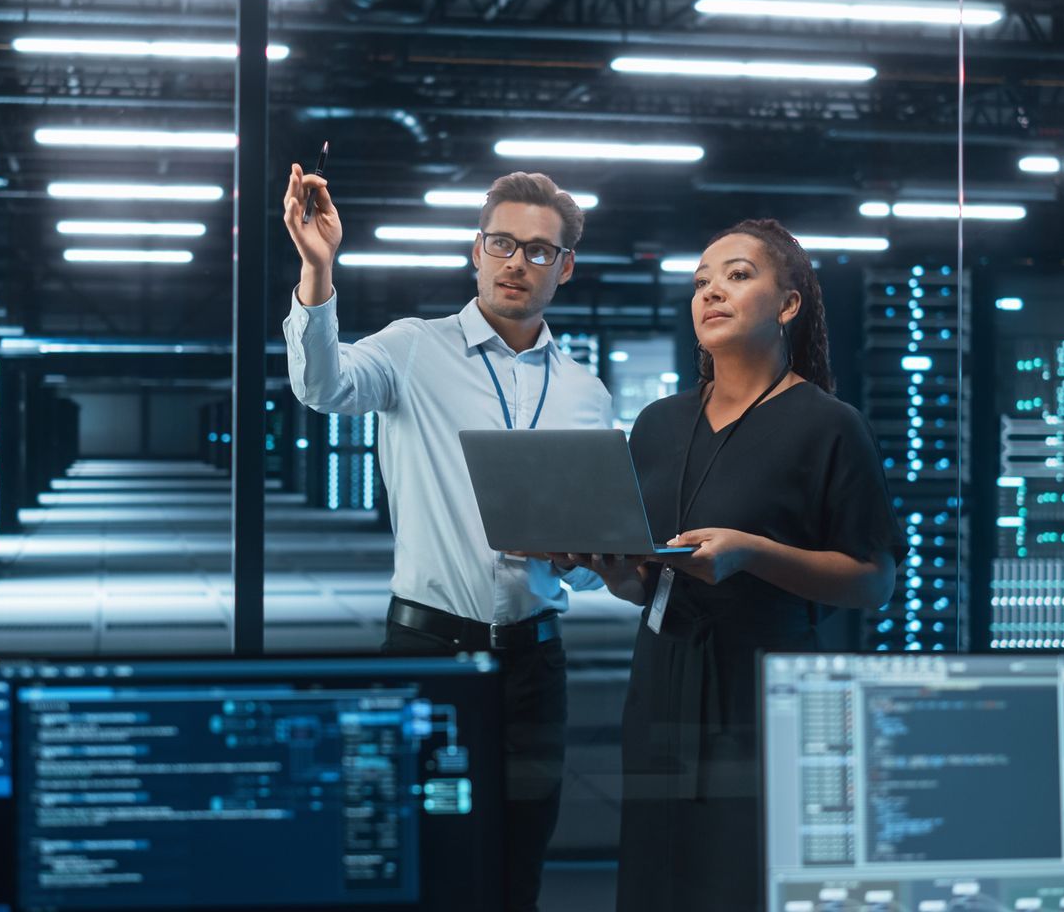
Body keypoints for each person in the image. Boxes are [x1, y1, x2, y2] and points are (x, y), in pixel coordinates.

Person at [542, 218, 902, 912]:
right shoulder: (658, 423)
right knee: (656, 881)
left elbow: (874, 581)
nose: (711, 292)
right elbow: (646, 582)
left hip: (767, 689)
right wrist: (609, 569)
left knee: (746, 882)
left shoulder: (829, 425)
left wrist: (752, 553)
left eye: (737, 276)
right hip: (661, 681)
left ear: (788, 304)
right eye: (701, 281)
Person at [281, 165, 612, 912]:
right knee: (418, 866)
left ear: (564, 267)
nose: (515, 262)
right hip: (427, 649)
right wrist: (318, 270)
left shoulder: (585, 394)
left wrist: (585, 557)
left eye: (538, 250)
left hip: (536, 664)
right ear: (475, 250)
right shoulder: (413, 349)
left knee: (518, 868)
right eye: (501, 243)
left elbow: (595, 568)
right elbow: (321, 386)